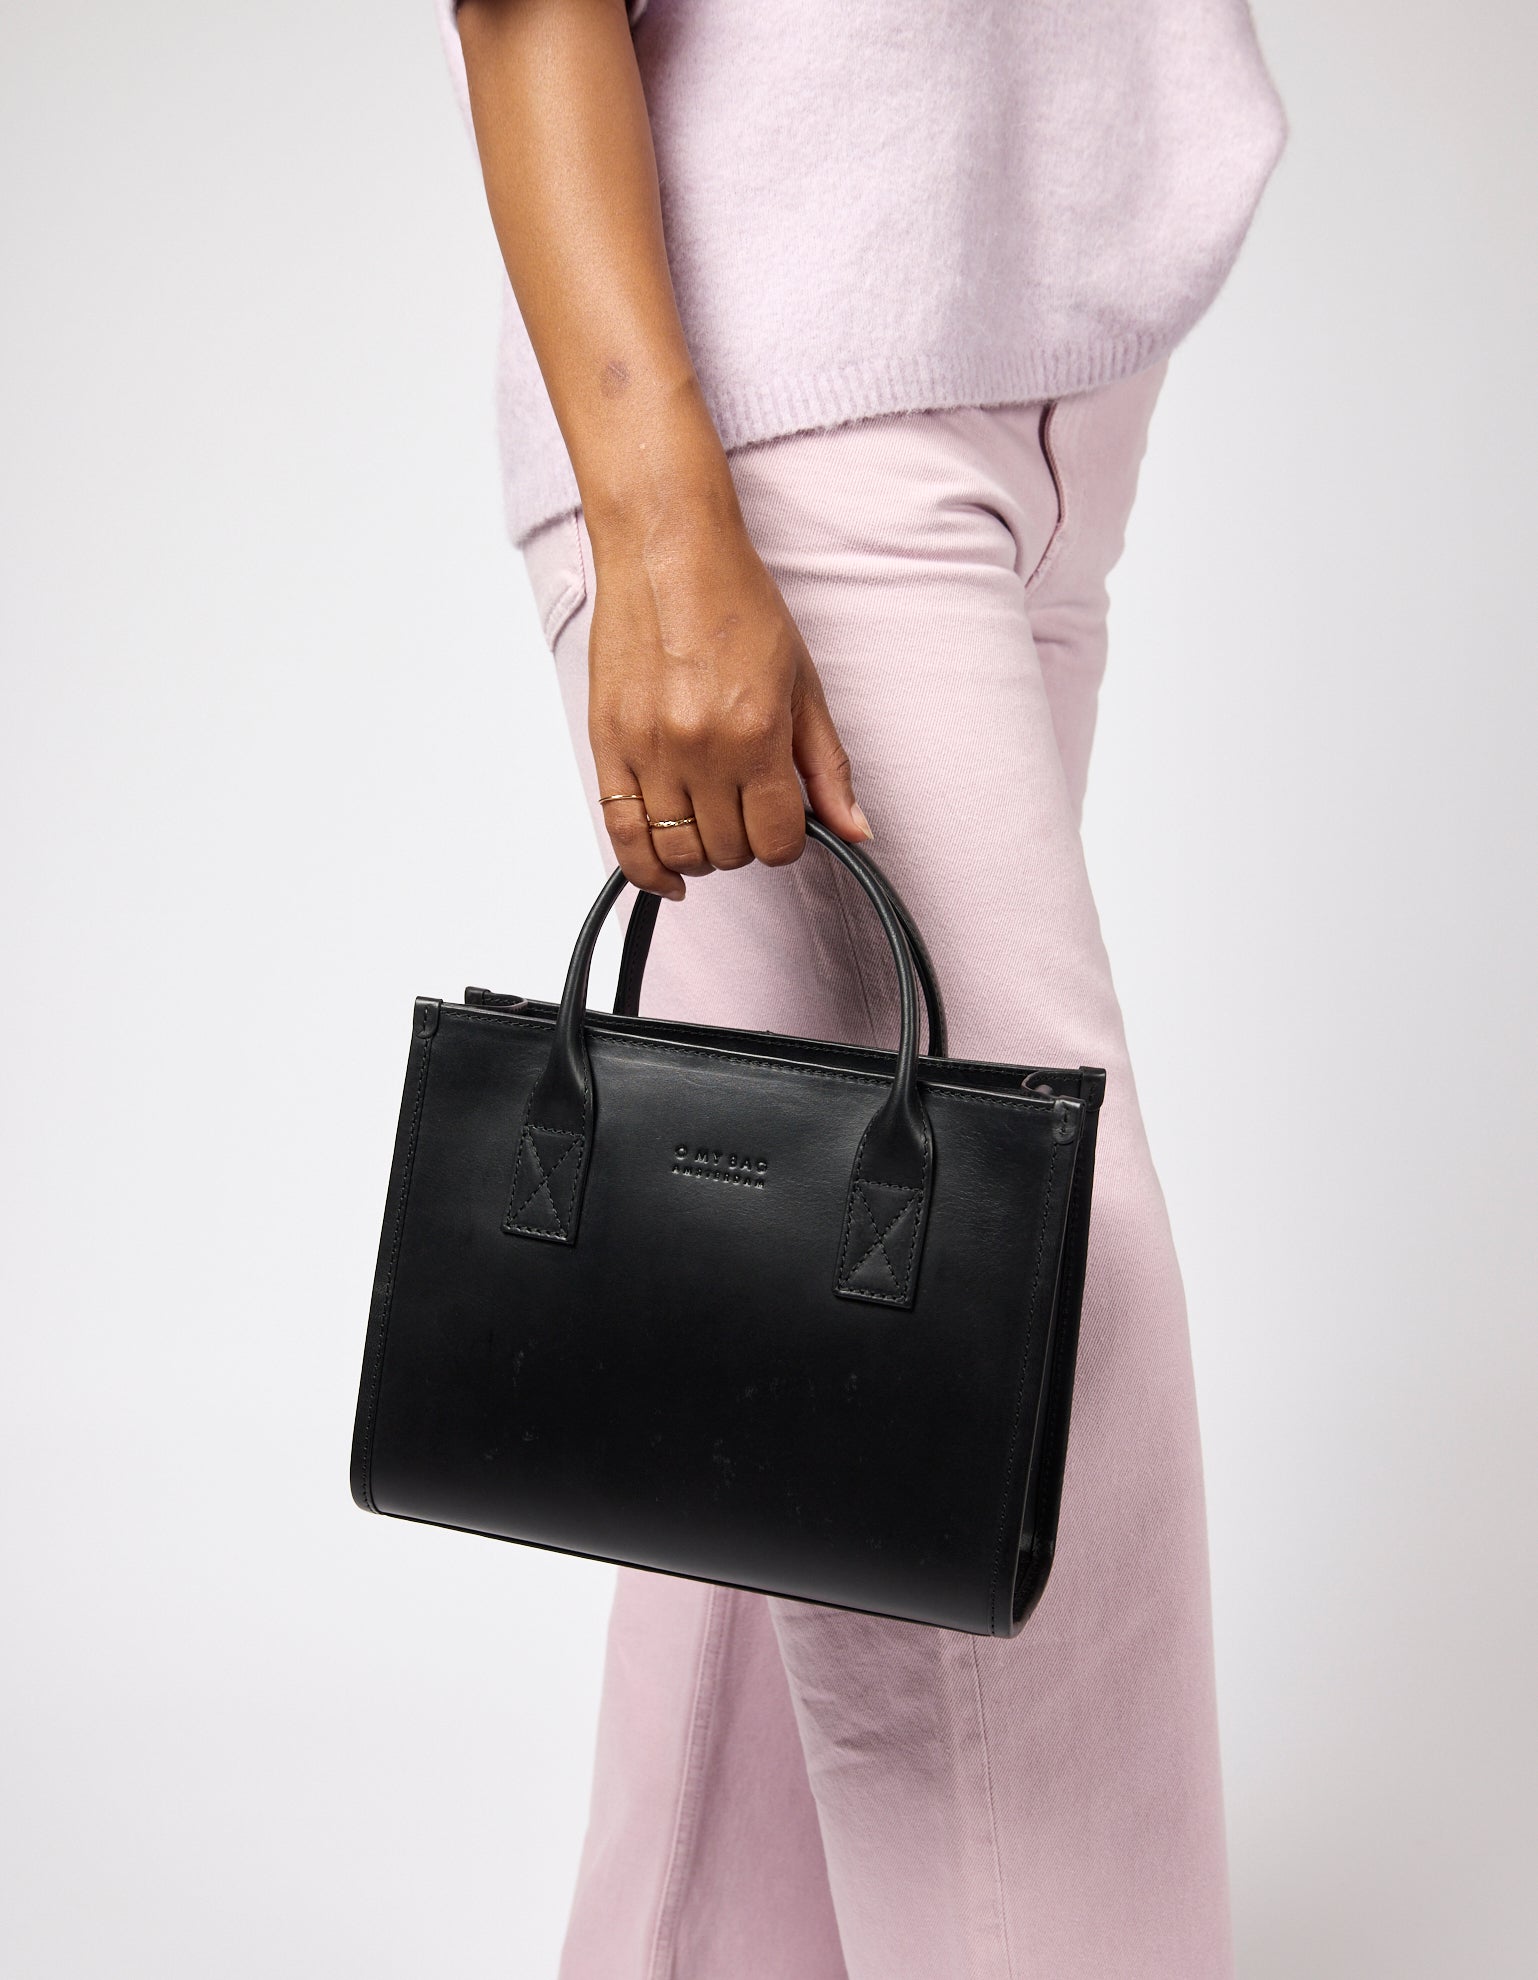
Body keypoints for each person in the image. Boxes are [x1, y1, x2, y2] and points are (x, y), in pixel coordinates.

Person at [437, 3, 1285, 1974]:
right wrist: (658, 521)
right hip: (780, 392)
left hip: (1035, 378)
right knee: (1012, 1326)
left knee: (821, 1351)